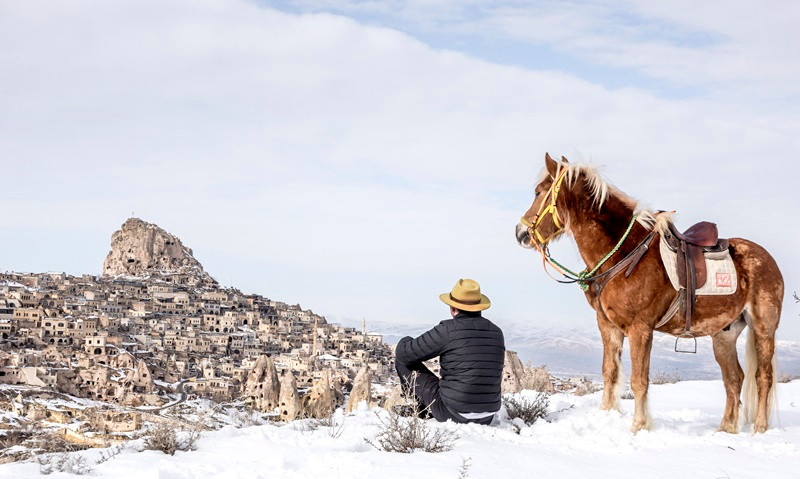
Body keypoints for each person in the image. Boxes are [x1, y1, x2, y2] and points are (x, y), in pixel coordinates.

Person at [394, 278, 505, 425]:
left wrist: (405, 339)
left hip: (453, 413)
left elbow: (404, 354)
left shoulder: (448, 330)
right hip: (487, 416)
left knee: (402, 361)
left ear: (453, 308)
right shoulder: (497, 332)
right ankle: (426, 409)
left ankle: (419, 408)